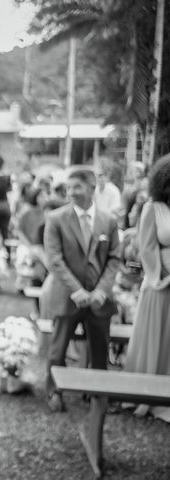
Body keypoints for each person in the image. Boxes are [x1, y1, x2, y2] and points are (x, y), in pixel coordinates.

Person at [40, 169, 119, 419]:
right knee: (58, 348)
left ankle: (98, 394)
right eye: (69, 187)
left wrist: (100, 291)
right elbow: (54, 259)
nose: (71, 192)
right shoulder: (56, 218)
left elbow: (114, 258)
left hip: (98, 298)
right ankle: (54, 391)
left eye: (77, 187)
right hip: (67, 296)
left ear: (92, 187)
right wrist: (77, 290)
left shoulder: (109, 221)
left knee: (99, 349)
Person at [124, 154, 170, 422]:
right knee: (156, 338)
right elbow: (147, 246)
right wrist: (161, 276)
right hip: (159, 285)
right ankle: (146, 395)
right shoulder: (153, 208)